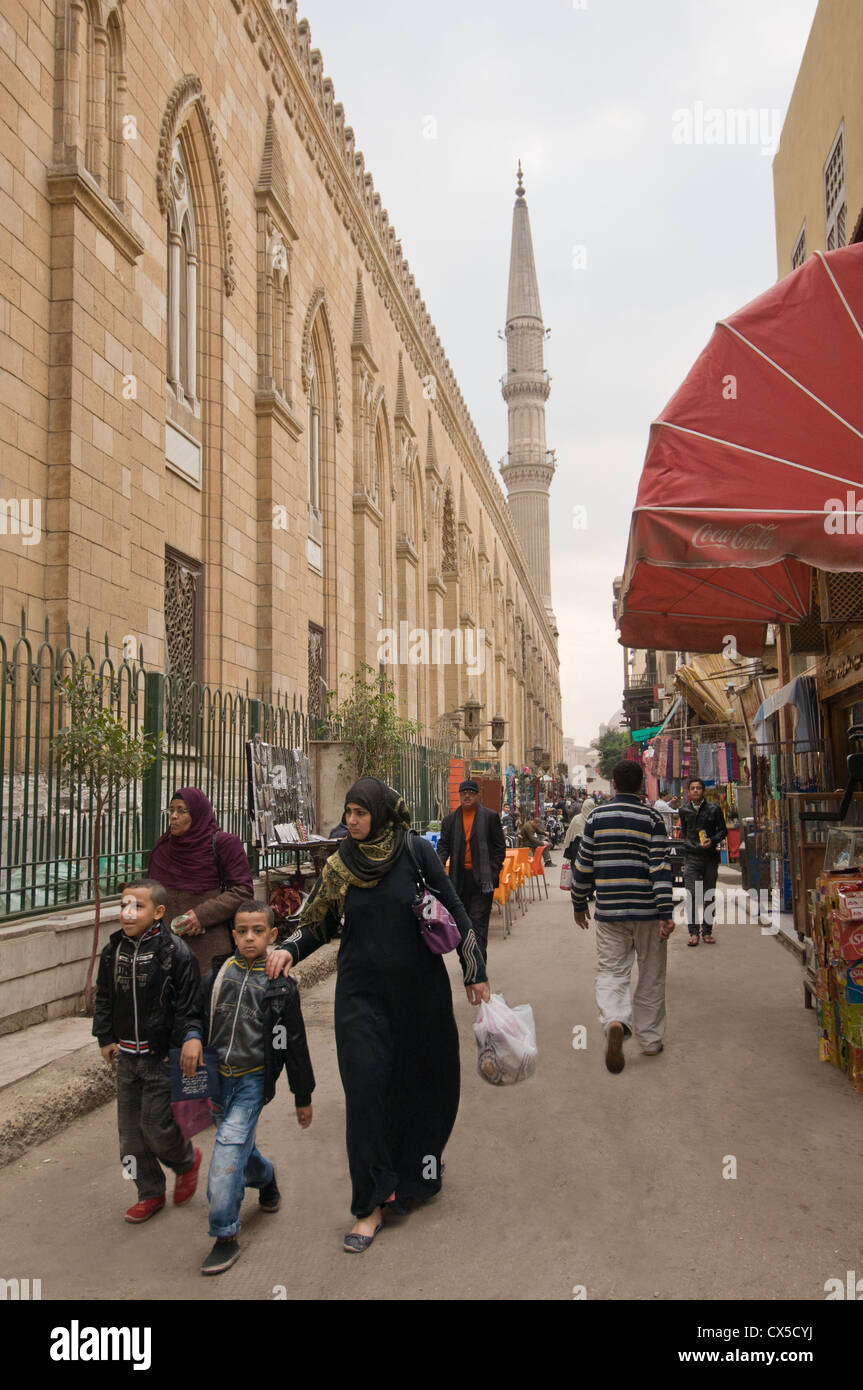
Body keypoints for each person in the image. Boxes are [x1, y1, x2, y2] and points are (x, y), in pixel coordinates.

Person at [265, 778, 489, 1253]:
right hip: (360, 996)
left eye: (360, 812)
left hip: (418, 995)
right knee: (365, 1091)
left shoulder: (413, 851)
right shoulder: (339, 863)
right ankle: (369, 1205)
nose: (351, 820)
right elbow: (317, 921)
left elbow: (453, 906)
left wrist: (474, 970)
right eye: (347, 812)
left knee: (422, 1086)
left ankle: (416, 1172)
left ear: (382, 813)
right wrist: (288, 950)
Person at [181, 900, 315, 1275]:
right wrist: (192, 1036)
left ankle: (224, 1233)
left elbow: (294, 1043)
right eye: (242, 931)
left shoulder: (280, 986)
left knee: (226, 1152)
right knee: (238, 1145)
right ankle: (267, 1179)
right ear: (233, 934)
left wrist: (302, 1096)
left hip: (253, 1081)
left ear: (273, 935)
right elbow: (194, 1014)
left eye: (258, 931)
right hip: (218, 1080)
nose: (249, 938)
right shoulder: (218, 974)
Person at [93, 879, 202, 1224]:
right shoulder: (113, 952)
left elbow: (187, 1005)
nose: (128, 913)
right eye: (124, 905)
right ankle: (149, 1191)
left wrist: (182, 1041)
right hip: (126, 1057)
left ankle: (186, 1161)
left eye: (137, 907)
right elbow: (105, 997)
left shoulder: (175, 952)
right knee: (129, 1138)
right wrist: (105, 1037)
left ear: (157, 913)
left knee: (155, 1127)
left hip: (160, 1058)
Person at [571, 761, 674, 1073]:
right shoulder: (653, 817)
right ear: (641, 785)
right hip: (647, 909)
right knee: (651, 973)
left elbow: (584, 863)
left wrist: (579, 902)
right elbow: (659, 867)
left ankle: (616, 1019)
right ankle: (651, 1040)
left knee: (612, 972)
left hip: (611, 910)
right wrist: (666, 912)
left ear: (613, 783)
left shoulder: (597, 817)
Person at [147, 787, 255, 973]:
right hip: (167, 952)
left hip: (207, 951)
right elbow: (151, 892)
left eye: (182, 810)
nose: (173, 816)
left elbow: (243, 891)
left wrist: (201, 915)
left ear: (198, 813)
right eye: (171, 810)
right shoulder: (164, 847)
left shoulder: (225, 844)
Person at [436, 779, 505, 959]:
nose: (467, 795)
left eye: (471, 792)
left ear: (477, 795)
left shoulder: (490, 817)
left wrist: (493, 871)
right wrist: (437, 866)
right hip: (459, 880)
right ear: (459, 796)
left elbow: (500, 848)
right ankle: (468, 961)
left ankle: (479, 963)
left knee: (479, 923)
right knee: (462, 923)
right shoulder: (450, 820)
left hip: (483, 880)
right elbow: (443, 847)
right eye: (463, 792)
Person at [678, 778, 727, 946]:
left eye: (699, 788)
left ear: (703, 791)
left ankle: (707, 932)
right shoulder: (683, 810)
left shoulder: (714, 809)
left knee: (708, 895)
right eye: (693, 788)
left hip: (710, 858)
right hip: (691, 857)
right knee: (691, 895)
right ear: (689, 791)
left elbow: (723, 831)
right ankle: (693, 933)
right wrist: (693, 845)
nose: (696, 791)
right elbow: (684, 834)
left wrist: (712, 841)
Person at [561, 796, 595, 866]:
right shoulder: (595, 819)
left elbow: (569, 833)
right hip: (591, 847)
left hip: (577, 845)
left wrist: (566, 845)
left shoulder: (577, 818)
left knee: (576, 867)